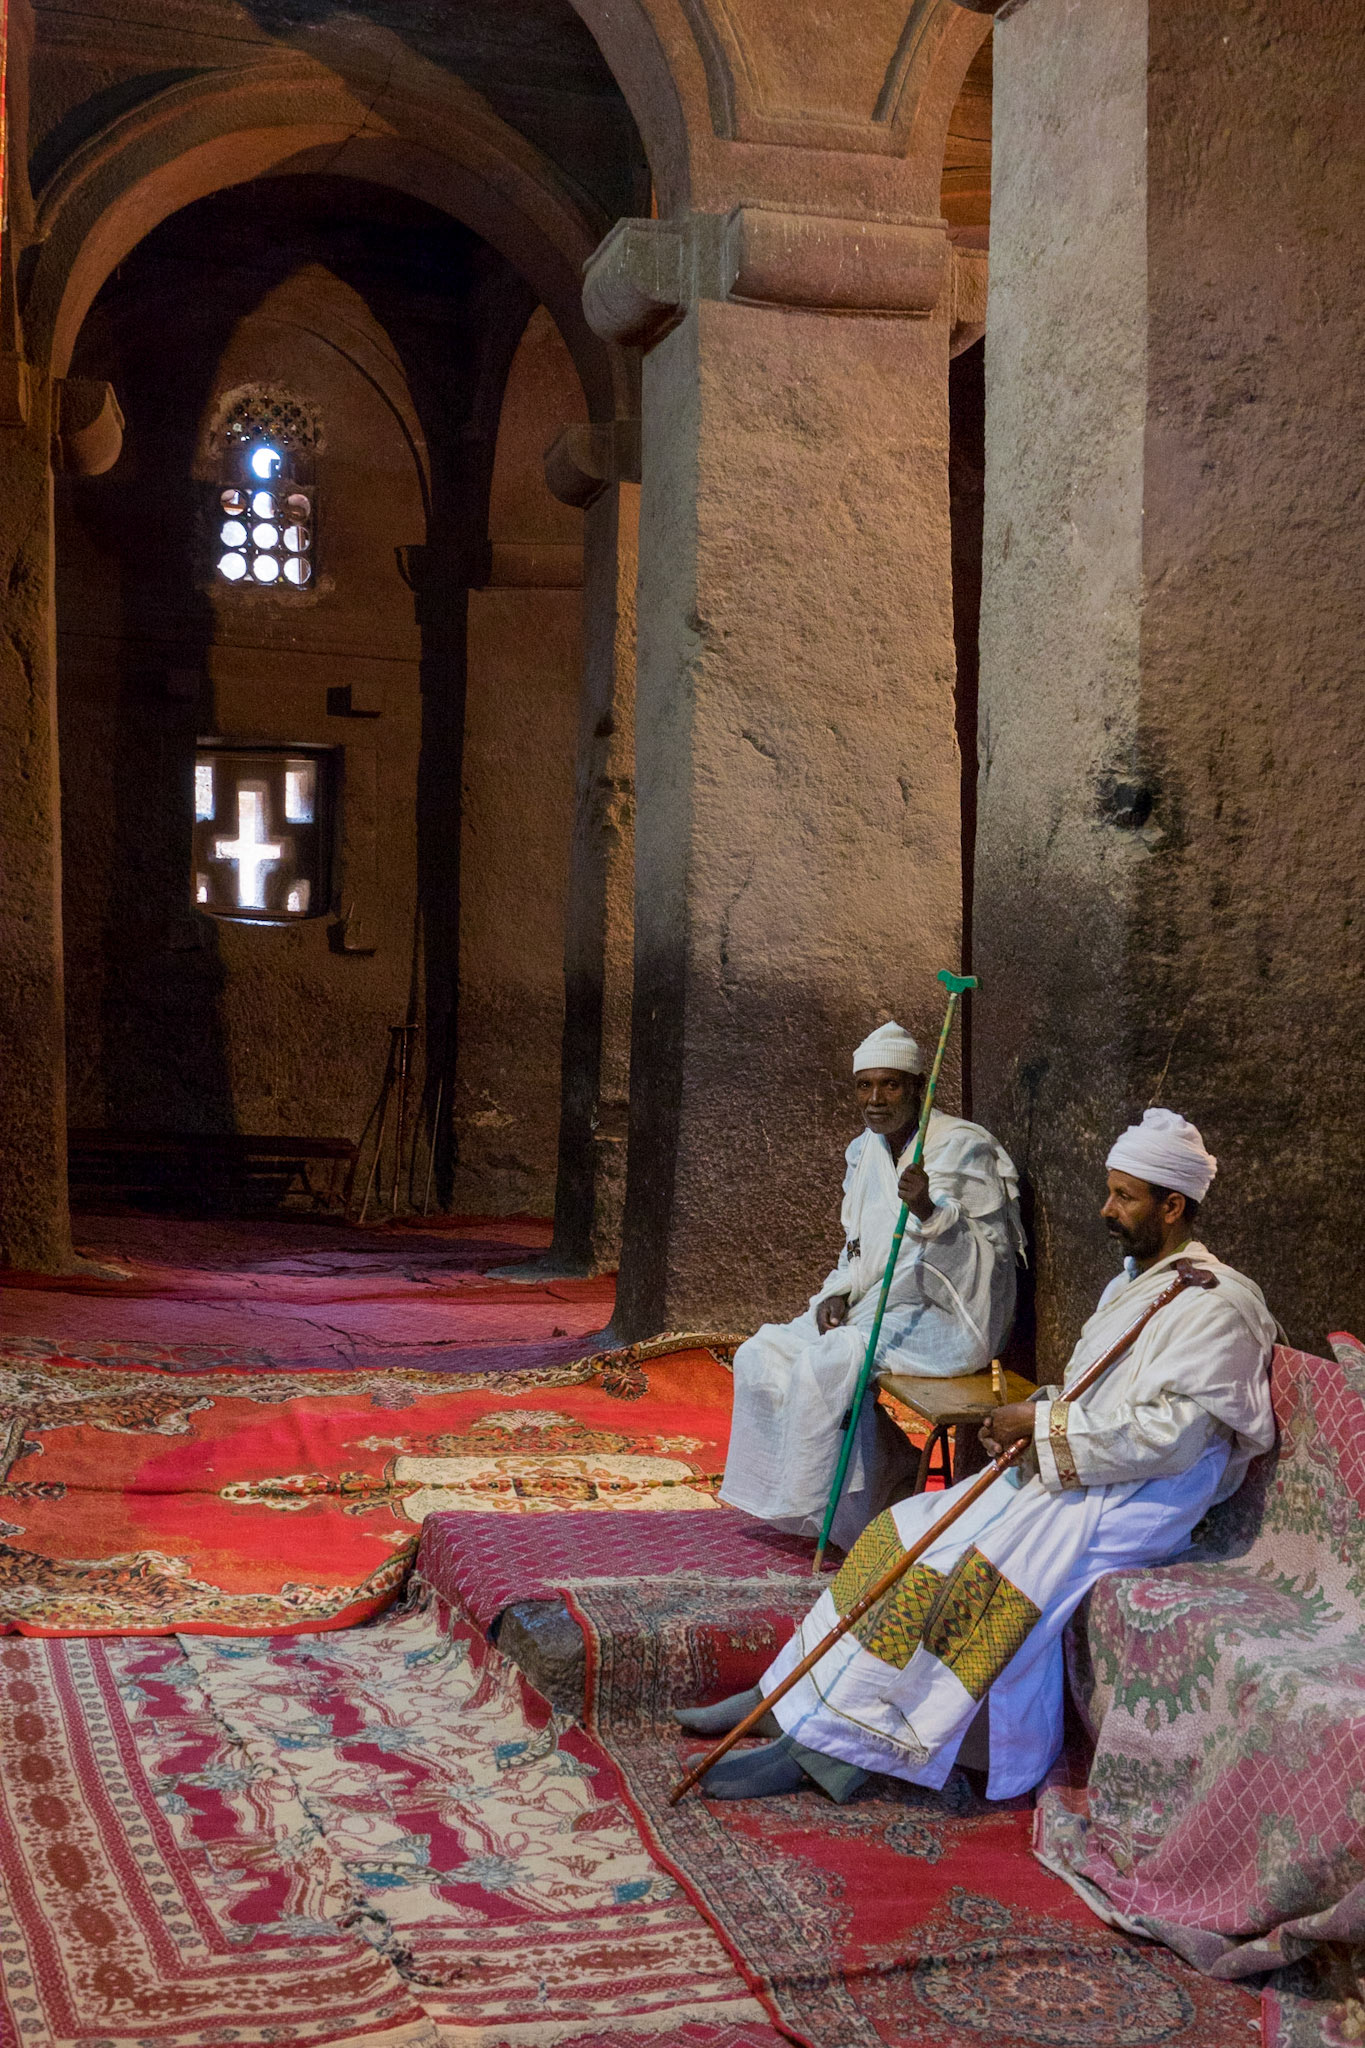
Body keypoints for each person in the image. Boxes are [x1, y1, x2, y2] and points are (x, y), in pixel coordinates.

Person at [683, 1107, 1276, 1804]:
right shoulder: (1134, 1285)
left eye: (1123, 1195)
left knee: (967, 1574)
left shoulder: (1218, 1305)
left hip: (1139, 1497)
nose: (1105, 1208)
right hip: (1078, 1468)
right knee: (898, 1534)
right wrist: (1038, 1417)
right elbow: (1096, 1391)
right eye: (1110, 1190)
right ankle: (790, 1700)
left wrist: (1046, 1425)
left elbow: (1172, 1438)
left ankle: (841, 1751)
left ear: (1172, 1206)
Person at [719, 1020, 1024, 1551]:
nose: (876, 1099)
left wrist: (930, 1209)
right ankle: (885, 1478)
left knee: (828, 1365)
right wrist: (838, 1291)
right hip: (874, 1305)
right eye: (865, 1086)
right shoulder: (864, 1151)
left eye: (891, 1085)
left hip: (948, 1317)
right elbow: (857, 1248)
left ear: (919, 1086)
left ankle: (858, 1522)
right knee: (761, 1354)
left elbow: (989, 1266)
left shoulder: (962, 1148)